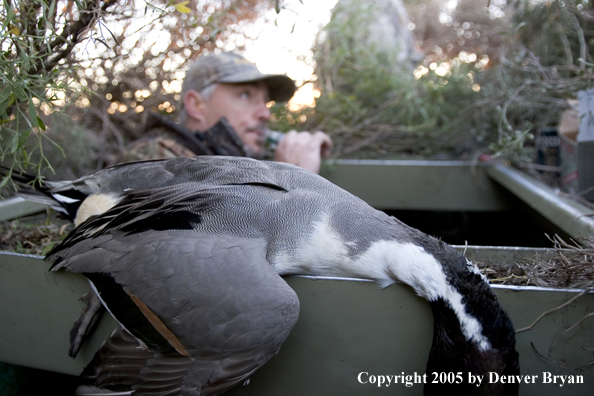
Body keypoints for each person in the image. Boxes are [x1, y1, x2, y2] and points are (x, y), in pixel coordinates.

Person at [180, 52, 333, 174]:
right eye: (245, 95)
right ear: (197, 105)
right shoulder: (168, 176)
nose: (265, 114)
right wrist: (291, 180)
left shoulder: (224, 169)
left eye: (266, 100)